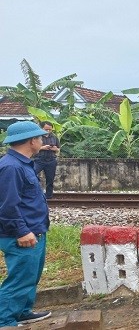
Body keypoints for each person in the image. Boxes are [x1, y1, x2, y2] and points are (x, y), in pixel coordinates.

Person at [0, 121, 53, 327]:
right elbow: (6, 206)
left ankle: (22, 311)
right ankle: (5, 321)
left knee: (30, 276)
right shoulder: (11, 168)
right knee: (19, 280)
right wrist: (22, 232)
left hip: (34, 231)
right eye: (40, 138)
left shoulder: (22, 164)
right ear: (32, 141)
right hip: (21, 235)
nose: (42, 140)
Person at [33, 121, 60, 199]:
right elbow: (33, 148)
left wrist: (55, 149)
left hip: (51, 160)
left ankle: (48, 196)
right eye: (46, 129)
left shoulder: (54, 137)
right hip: (39, 160)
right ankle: (35, 193)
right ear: (41, 128)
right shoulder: (37, 137)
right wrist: (42, 148)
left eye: (50, 129)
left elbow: (58, 149)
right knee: (32, 175)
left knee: (50, 179)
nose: (48, 131)